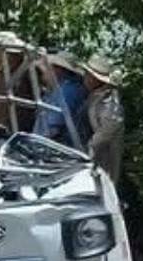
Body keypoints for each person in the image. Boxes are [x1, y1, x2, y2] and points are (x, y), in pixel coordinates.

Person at [80, 54, 125, 183]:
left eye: (88, 75)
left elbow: (106, 132)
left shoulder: (110, 104)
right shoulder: (95, 96)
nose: (85, 77)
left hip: (104, 156)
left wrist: (89, 150)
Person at [33, 52, 86, 143]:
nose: (42, 73)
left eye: (47, 67)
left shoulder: (67, 92)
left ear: (57, 70)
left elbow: (51, 128)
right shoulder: (60, 88)